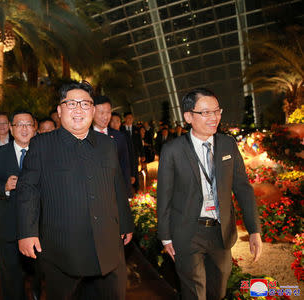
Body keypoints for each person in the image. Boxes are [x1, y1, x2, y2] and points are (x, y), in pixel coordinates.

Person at [16, 81, 134, 300]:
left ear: (93, 110)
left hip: (107, 246)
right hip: (61, 249)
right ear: (59, 111)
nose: (79, 109)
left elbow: (117, 185)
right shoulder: (42, 145)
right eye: (71, 104)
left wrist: (126, 223)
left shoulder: (107, 144)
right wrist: (27, 231)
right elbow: (28, 190)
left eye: (85, 104)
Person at [157, 88, 262, 300]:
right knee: (195, 293)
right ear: (188, 117)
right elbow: (164, 196)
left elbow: (242, 188)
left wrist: (254, 229)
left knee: (218, 290)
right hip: (187, 232)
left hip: (220, 232)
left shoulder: (227, 145)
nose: (213, 117)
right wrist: (165, 236)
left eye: (217, 111)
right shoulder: (173, 150)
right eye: (205, 113)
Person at [0, 110, 36, 300]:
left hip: (39, 229)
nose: (24, 128)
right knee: (10, 277)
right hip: (8, 227)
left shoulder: (45, 154)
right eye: (19, 124)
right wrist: (4, 187)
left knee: (40, 276)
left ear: (34, 128)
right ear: (11, 129)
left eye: (28, 124)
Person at [92, 95, 132, 197]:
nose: (106, 117)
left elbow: (125, 165)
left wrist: (127, 193)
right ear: (92, 112)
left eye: (108, 112)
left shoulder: (119, 137)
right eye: (101, 113)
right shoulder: (84, 137)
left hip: (116, 192)